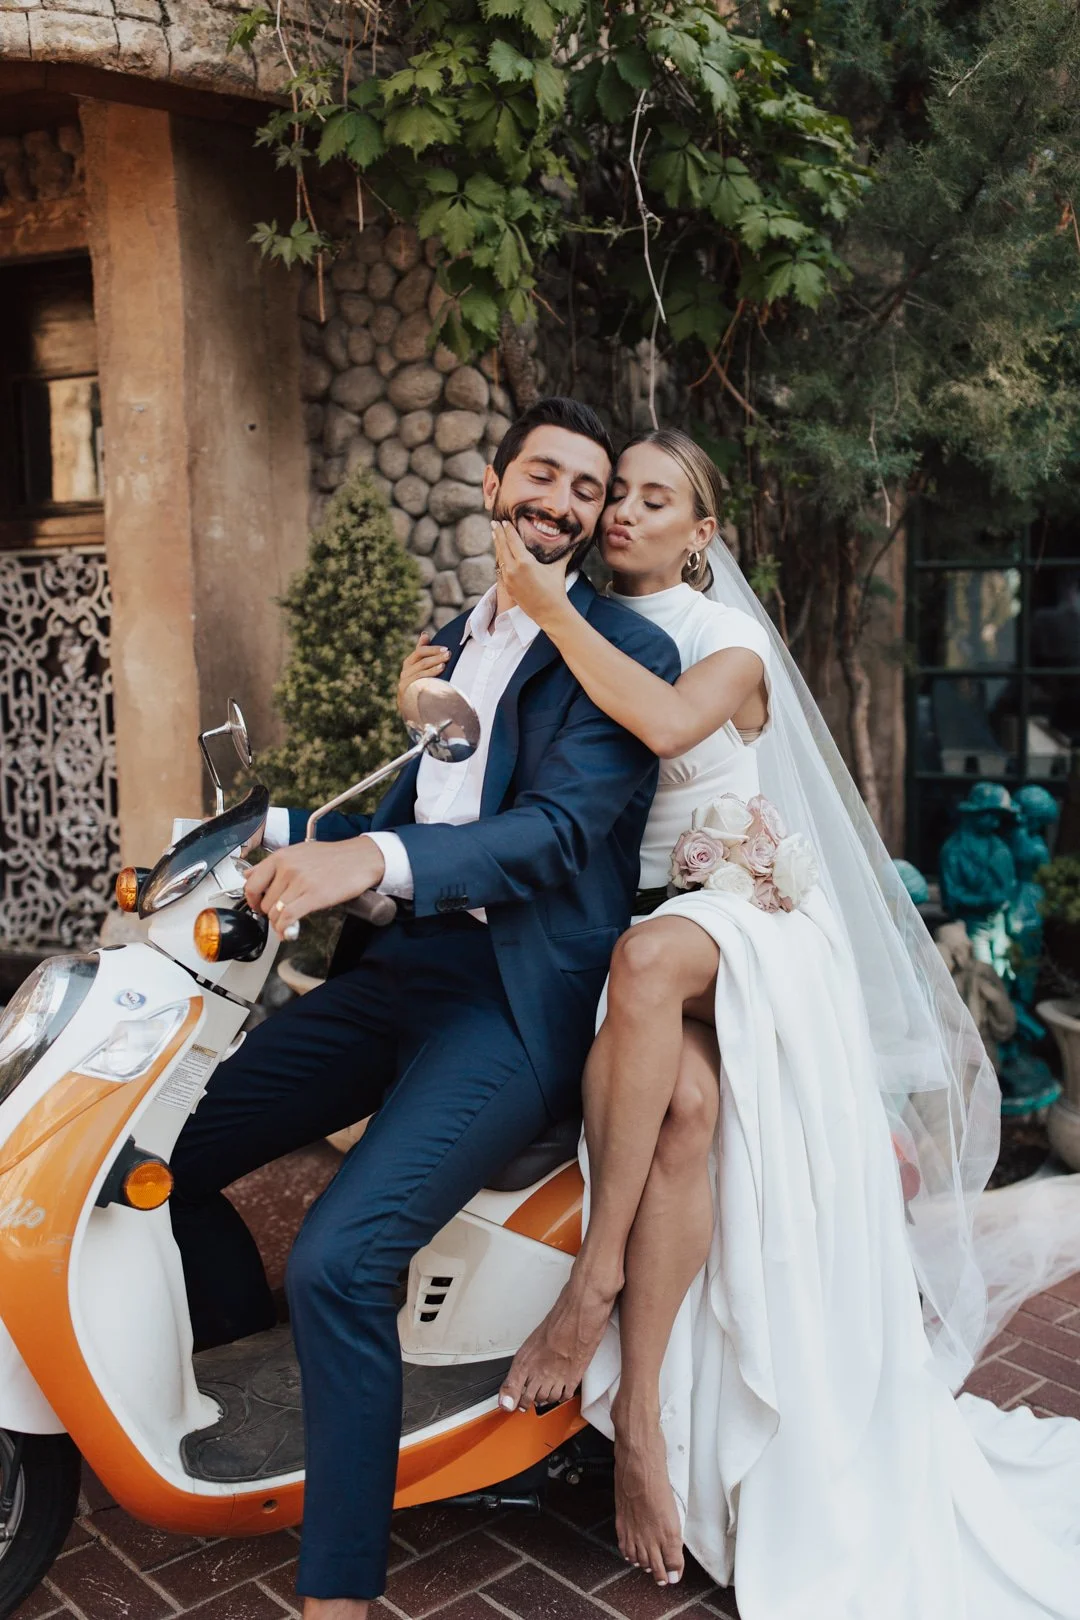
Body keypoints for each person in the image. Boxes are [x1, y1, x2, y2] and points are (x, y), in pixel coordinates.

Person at [401, 428, 1080, 1618]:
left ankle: (591, 1294)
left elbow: (667, 728)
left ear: (700, 534)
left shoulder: (729, 641)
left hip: (748, 923)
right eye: (624, 495)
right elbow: (456, 721)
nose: (624, 515)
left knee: (651, 957)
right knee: (687, 1113)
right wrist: (431, 682)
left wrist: (546, 610)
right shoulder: (571, 628)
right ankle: (652, 1437)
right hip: (652, 935)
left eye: (657, 501)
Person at [168, 396, 682, 1620]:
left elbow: (558, 834)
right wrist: (275, 835)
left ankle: (336, 1599)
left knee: (344, 1259)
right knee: (161, 1158)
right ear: (495, 481)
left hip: (510, 1001)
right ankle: (243, 1370)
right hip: (397, 974)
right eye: (542, 476)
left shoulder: (635, 656)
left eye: (587, 488)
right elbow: (421, 821)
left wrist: (376, 868)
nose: (562, 502)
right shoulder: (453, 638)